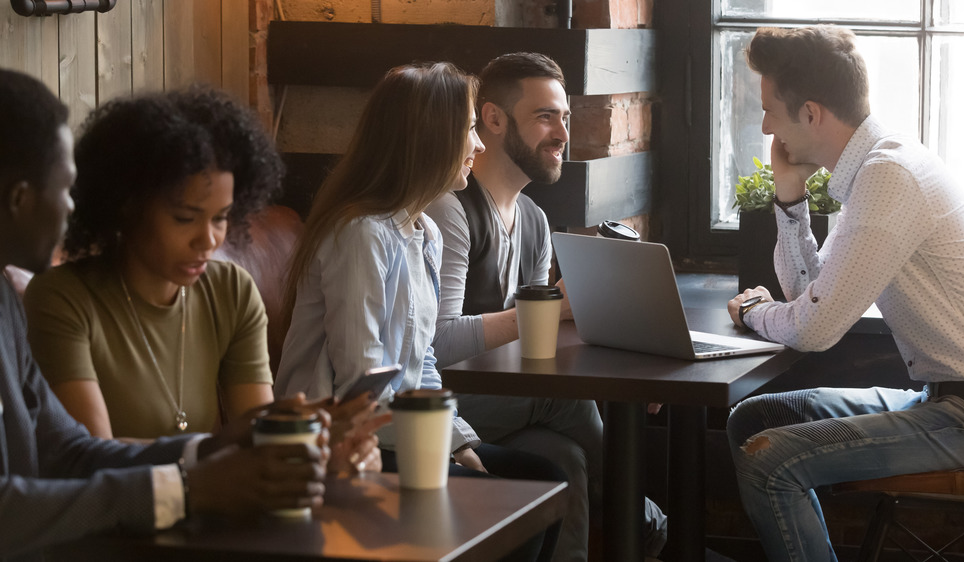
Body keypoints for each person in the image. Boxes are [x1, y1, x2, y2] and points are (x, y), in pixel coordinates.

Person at [0, 67, 342, 562]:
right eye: (66, 189)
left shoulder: (5, 302)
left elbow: (68, 452)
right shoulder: (51, 298)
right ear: (19, 199)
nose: (72, 208)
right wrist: (187, 488)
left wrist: (216, 448)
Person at [725, 26, 964, 562]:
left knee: (768, 459)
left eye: (769, 111)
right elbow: (812, 294)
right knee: (753, 419)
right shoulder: (877, 169)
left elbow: (814, 328)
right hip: (943, 400)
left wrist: (756, 311)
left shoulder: (888, 176)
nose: (763, 127)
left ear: (810, 113)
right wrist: (789, 196)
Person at [274, 62, 563, 561]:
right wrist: (446, 451)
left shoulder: (422, 233)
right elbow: (362, 381)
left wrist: (457, 441)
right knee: (515, 499)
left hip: (404, 431)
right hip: (346, 441)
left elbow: (423, 360)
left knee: (547, 483)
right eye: (469, 129)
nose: (477, 144)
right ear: (428, 139)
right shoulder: (361, 234)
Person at [424, 52, 668, 561]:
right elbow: (438, 343)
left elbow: (536, 347)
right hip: (443, 399)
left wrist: (628, 362)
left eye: (565, 117)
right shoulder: (450, 210)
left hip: (506, 398)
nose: (561, 133)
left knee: (563, 456)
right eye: (544, 117)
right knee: (569, 401)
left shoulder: (533, 219)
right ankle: (648, 521)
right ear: (492, 119)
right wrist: (553, 307)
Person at [23, 87, 280, 439]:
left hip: (218, 494)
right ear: (128, 206)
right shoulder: (62, 298)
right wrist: (214, 455)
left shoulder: (232, 291)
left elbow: (259, 439)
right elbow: (90, 456)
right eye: (184, 218)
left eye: (220, 218)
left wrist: (324, 445)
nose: (208, 240)